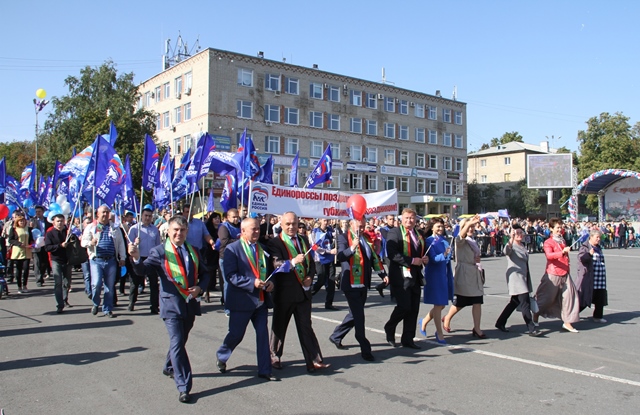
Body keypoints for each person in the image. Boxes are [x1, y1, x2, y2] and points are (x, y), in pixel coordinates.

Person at [129, 215, 210, 403]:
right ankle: (184, 386)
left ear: (187, 232)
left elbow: (206, 273)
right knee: (177, 341)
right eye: (175, 230)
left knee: (181, 340)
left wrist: (200, 288)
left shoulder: (194, 251)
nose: (178, 234)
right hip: (170, 305)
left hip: (189, 303)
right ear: (167, 231)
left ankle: (168, 365)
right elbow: (143, 270)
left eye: (182, 230)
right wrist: (135, 259)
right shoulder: (159, 252)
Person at [215, 218, 278, 381]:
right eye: (253, 229)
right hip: (241, 301)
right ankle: (222, 356)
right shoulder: (232, 249)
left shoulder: (262, 249)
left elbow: (270, 271)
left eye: (258, 228)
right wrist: (252, 283)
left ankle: (265, 369)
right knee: (236, 334)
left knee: (263, 335)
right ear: (242, 231)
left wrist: (271, 283)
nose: (257, 231)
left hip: (261, 301)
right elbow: (230, 276)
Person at [267, 211, 329, 372]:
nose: (291, 227)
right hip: (284, 293)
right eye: (287, 224)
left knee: (306, 326)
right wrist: (293, 262)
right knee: (280, 326)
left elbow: (312, 263)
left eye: (294, 224)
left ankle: (314, 359)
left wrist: (310, 276)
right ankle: (274, 356)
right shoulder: (276, 243)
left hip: (303, 291)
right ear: (281, 225)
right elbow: (276, 264)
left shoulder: (303, 240)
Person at [329, 217, 387, 361]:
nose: (360, 229)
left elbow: (373, 258)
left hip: (363, 282)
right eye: (358, 226)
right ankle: (365, 347)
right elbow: (341, 256)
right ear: (351, 224)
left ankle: (336, 335)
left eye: (362, 226)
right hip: (350, 282)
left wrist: (383, 274)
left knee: (355, 313)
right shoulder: (343, 237)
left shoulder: (366, 237)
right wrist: (352, 247)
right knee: (359, 316)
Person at [383, 208, 427, 349]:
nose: (410, 220)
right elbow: (392, 253)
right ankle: (390, 327)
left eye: (412, 218)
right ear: (402, 219)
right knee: (404, 307)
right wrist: (412, 260)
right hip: (401, 276)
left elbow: (422, 252)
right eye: (407, 218)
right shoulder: (395, 232)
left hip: (415, 276)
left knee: (414, 308)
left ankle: (408, 338)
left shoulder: (418, 234)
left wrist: (425, 258)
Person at [443, 215, 487, 338]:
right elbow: (460, 236)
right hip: (464, 273)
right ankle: (447, 318)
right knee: (461, 302)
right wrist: (468, 223)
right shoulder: (460, 240)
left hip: (474, 272)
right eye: (469, 227)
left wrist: (477, 259)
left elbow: (474, 255)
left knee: (478, 301)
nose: (471, 229)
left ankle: (477, 328)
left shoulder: (473, 241)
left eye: (473, 226)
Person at [533, 217, 580, 332]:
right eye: (557, 227)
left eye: (561, 227)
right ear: (551, 229)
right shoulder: (548, 242)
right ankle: (535, 315)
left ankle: (567, 322)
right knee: (546, 299)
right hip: (553, 273)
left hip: (565, 273)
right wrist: (562, 252)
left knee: (570, 297)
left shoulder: (562, 240)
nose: (560, 229)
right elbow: (549, 256)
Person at [494, 228, 542, 336]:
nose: (519, 235)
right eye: (517, 233)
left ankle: (500, 322)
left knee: (514, 302)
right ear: (512, 235)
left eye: (521, 233)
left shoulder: (522, 246)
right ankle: (531, 328)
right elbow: (506, 251)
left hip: (523, 276)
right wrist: (510, 239)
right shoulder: (512, 245)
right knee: (525, 302)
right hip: (515, 277)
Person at [81, 205, 126, 318]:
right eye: (103, 212)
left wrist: (122, 258)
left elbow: (121, 243)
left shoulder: (114, 228)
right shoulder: (91, 227)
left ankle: (107, 308)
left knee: (109, 287)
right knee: (96, 284)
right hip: (96, 260)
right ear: (98, 214)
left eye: (107, 212)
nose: (105, 214)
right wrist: (90, 243)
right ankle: (96, 303)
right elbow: (83, 242)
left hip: (111, 260)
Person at [419, 219, 453, 344]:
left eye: (442, 226)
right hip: (434, 275)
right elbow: (433, 259)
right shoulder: (429, 241)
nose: (440, 229)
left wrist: (449, 254)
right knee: (438, 304)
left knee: (442, 304)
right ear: (432, 227)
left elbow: (448, 257)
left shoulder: (443, 240)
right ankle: (439, 332)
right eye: (438, 226)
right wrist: (444, 255)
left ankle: (423, 321)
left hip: (443, 274)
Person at [128, 206, 162, 313]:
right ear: (141, 216)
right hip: (139, 257)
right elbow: (129, 245)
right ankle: (132, 302)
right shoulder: (134, 229)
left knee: (153, 283)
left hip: (151, 258)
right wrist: (135, 243)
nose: (147, 218)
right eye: (145, 216)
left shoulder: (155, 230)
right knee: (135, 282)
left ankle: (154, 306)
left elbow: (158, 245)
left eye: (149, 216)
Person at [576, 229, 608, 323]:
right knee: (585, 298)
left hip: (600, 277)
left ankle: (598, 316)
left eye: (599, 237)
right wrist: (589, 254)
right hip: (589, 277)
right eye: (597, 237)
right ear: (591, 237)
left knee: (600, 297)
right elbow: (582, 259)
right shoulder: (585, 247)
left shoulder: (598, 247)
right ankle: (572, 314)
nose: (599, 239)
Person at [44, 214, 73, 313]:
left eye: (62, 221)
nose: (60, 223)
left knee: (67, 282)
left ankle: (65, 299)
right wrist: (60, 246)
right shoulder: (50, 233)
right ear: (54, 222)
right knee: (58, 282)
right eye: (58, 221)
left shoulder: (67, 232)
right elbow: (47, 247)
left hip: (67, 260)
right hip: (56, 259)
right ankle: (59, 304)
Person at [311, 218, 338, 309]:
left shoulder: (330, 230)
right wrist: (329, 252)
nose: (326, 222)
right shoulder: (315, 232)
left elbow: (338, 236)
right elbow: (315, 247)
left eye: (327, 220)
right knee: (321, 280)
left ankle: (329, 303)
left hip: (330, 259)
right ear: (320, 221)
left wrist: (338, 228)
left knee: (331, 281)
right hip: (320, 259)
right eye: (324, 221)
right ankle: (308, 294)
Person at [217, 209, 241, 307]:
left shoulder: (241, 225)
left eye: (237, 217)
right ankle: (228, 306)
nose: (236, 219)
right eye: (233, 217)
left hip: (238, 256)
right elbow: (225, 242)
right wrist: (240, 240)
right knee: (228, 282)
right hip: (226, 257)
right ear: (228, 217)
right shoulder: (224, 227)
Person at [8, 214, 33, 294]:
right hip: (18, 251)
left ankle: (25, 285)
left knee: (26, 269)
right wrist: (19, 244)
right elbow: (10, 240)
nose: (22, 222)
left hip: (27, 251)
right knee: (19, 270)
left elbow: (31, 239)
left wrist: (32, 244)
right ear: (17, 222)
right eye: (20, 221)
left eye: (23, 221)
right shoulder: (14, 229)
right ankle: (19, 286)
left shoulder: (28, 229)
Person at [30, 205, 52, 286]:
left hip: (45, 243)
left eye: (39, 211)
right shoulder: (32, 221)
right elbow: (29, 232)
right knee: (37, 262)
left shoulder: (47, 221)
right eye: (36, 212)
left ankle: (42, 274)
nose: (38, 213)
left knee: (44, 262)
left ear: (43, 212)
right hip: (36, 244)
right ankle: (39, 280)